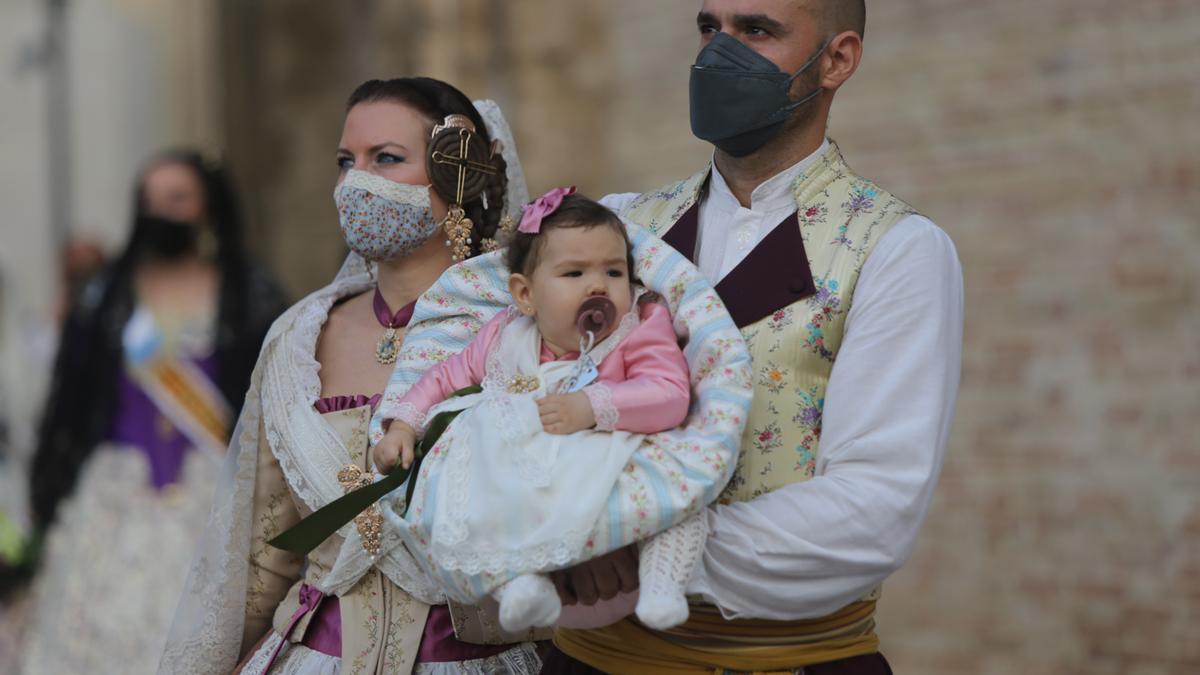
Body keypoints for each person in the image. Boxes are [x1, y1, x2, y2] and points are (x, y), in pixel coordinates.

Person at [539, 1, 965, 673]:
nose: (717, 54)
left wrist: (640, 543)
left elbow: (873, 507)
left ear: (837, 59)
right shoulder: (619, 227)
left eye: (756, 31)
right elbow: (523, 401)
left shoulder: (894, 250)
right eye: (710, 28)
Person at [160, 78, 550, 675]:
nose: (354, 183)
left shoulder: (529, 329)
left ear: (459, 175)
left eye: (385, 159)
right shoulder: (298, 339)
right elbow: (264, 558)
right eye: (346, 162)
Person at [373, 189, 712, 633]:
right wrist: (403, 425)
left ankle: (664, 578)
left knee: (681, 483)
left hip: (615, 463)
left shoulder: (638, 328)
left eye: (614, 271)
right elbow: (444, 379)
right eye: (574, 273)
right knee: (472, 472)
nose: (598, 285)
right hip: (535, 482)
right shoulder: (506, 337)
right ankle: (517, 582)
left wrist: (592, 405)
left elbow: (669, 393)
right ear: (526, 295)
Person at [19, 149, 288, 674]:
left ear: (207, 207)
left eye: (176, 198)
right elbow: (68, 404)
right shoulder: (104, 297)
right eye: (149, 200)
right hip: (116, 499)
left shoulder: (249, 296)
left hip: (214, 498)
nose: (158, 211)